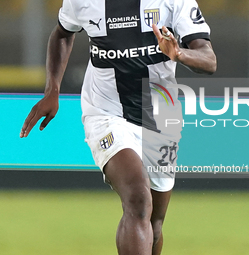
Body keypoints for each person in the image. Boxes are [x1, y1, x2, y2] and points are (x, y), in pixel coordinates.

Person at [20, 0, 216, 254]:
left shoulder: (173, 1)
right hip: (105, 112)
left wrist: (179, 54)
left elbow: (209, 60)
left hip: (159, 118)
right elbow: (62, 34)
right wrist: (52, 90)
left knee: (154, 224)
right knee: (138, 199)